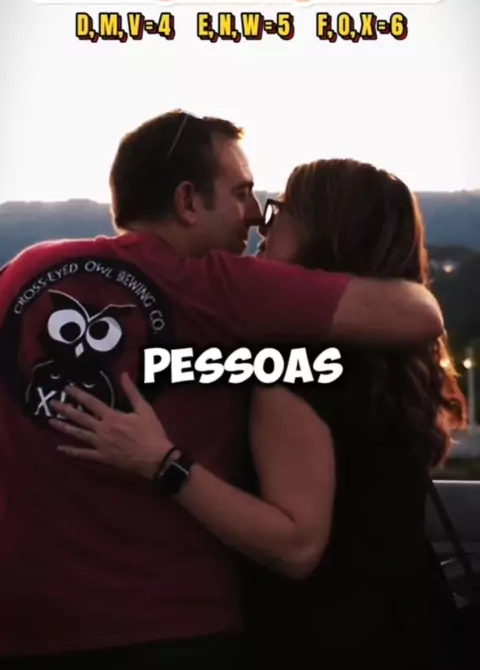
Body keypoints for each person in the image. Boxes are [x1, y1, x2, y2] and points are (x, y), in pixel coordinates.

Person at [0, 113, 443, 667]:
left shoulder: (24, 271)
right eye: (242, 193)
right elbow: (419, 314)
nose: (255, 215)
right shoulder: (219, 288)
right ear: (188, 201)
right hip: (174, 627)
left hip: (25, 627)